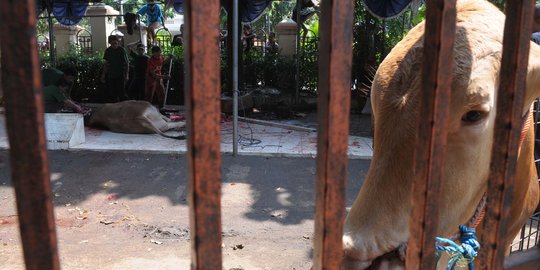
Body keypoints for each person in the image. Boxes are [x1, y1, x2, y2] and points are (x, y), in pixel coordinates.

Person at [101, 35, 129, 102]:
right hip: (111, 75)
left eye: (115, 43)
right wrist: (103, 75)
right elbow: (106, 64)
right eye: (112, 44)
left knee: (121, 92)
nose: (114, 45)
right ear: (110, 43)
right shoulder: (108, 50)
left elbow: (127, 63)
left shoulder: (122, 50)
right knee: (112, 93)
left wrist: (127, 74)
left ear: (118, 42)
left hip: (120, 74)